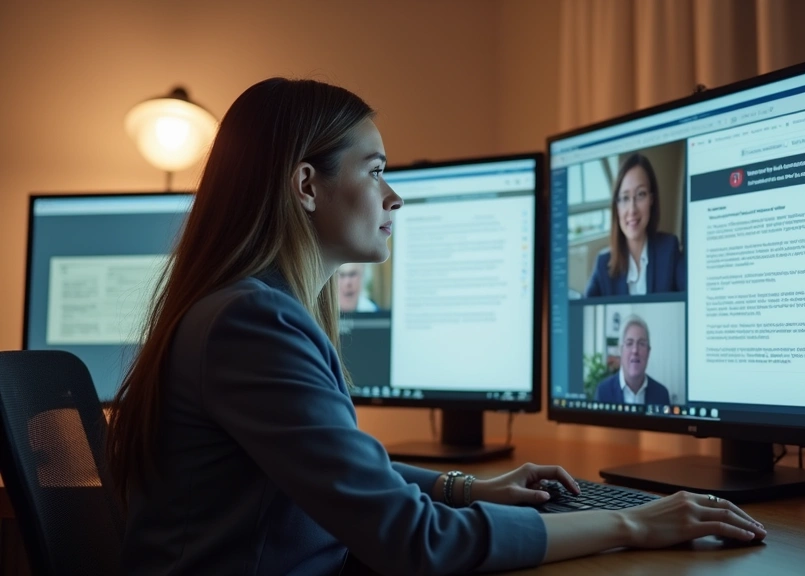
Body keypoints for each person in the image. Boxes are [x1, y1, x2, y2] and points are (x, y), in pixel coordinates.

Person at [105, 78, 765, 576]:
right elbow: (411, 539)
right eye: (376, 171)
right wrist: (632, 522)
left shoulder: (243, 310)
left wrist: (467, 485)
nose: (395, 197)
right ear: (306, 185)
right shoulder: (251, 324)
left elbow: (347, 471)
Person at [585, 152, 682, 297]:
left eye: (641, 194)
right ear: (616, 206)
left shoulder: (669, 249)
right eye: (624, 198)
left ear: (651, 199)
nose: (632, 210)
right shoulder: (603, 263)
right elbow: (579, 313)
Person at [595, 315, 671, 405]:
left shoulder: (661, 394)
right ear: (620, 350)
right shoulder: (603, 392)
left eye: (641, 343)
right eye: (629, 343)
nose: (635, 350)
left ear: (648, 351)